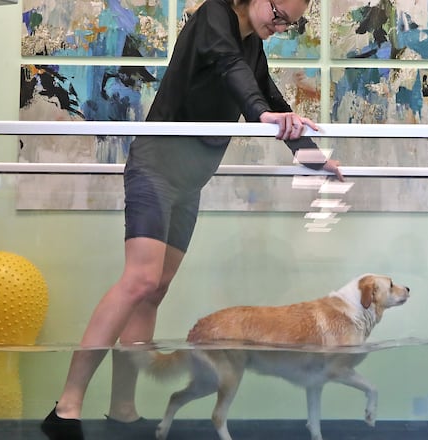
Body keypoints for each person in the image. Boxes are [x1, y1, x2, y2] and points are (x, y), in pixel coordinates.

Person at [41, 0, 343, 438]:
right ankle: (66, 407)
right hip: (156, 165)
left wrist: (316, 161)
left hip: (191, 179)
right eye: (278, 15)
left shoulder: (252, 45)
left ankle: (122, 407)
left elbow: (272, 98)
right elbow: (232, 72)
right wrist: (261, 114)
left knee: (155, 291)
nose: (278, 28)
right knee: (139, 280)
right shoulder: (214, 18)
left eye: (288, 25)